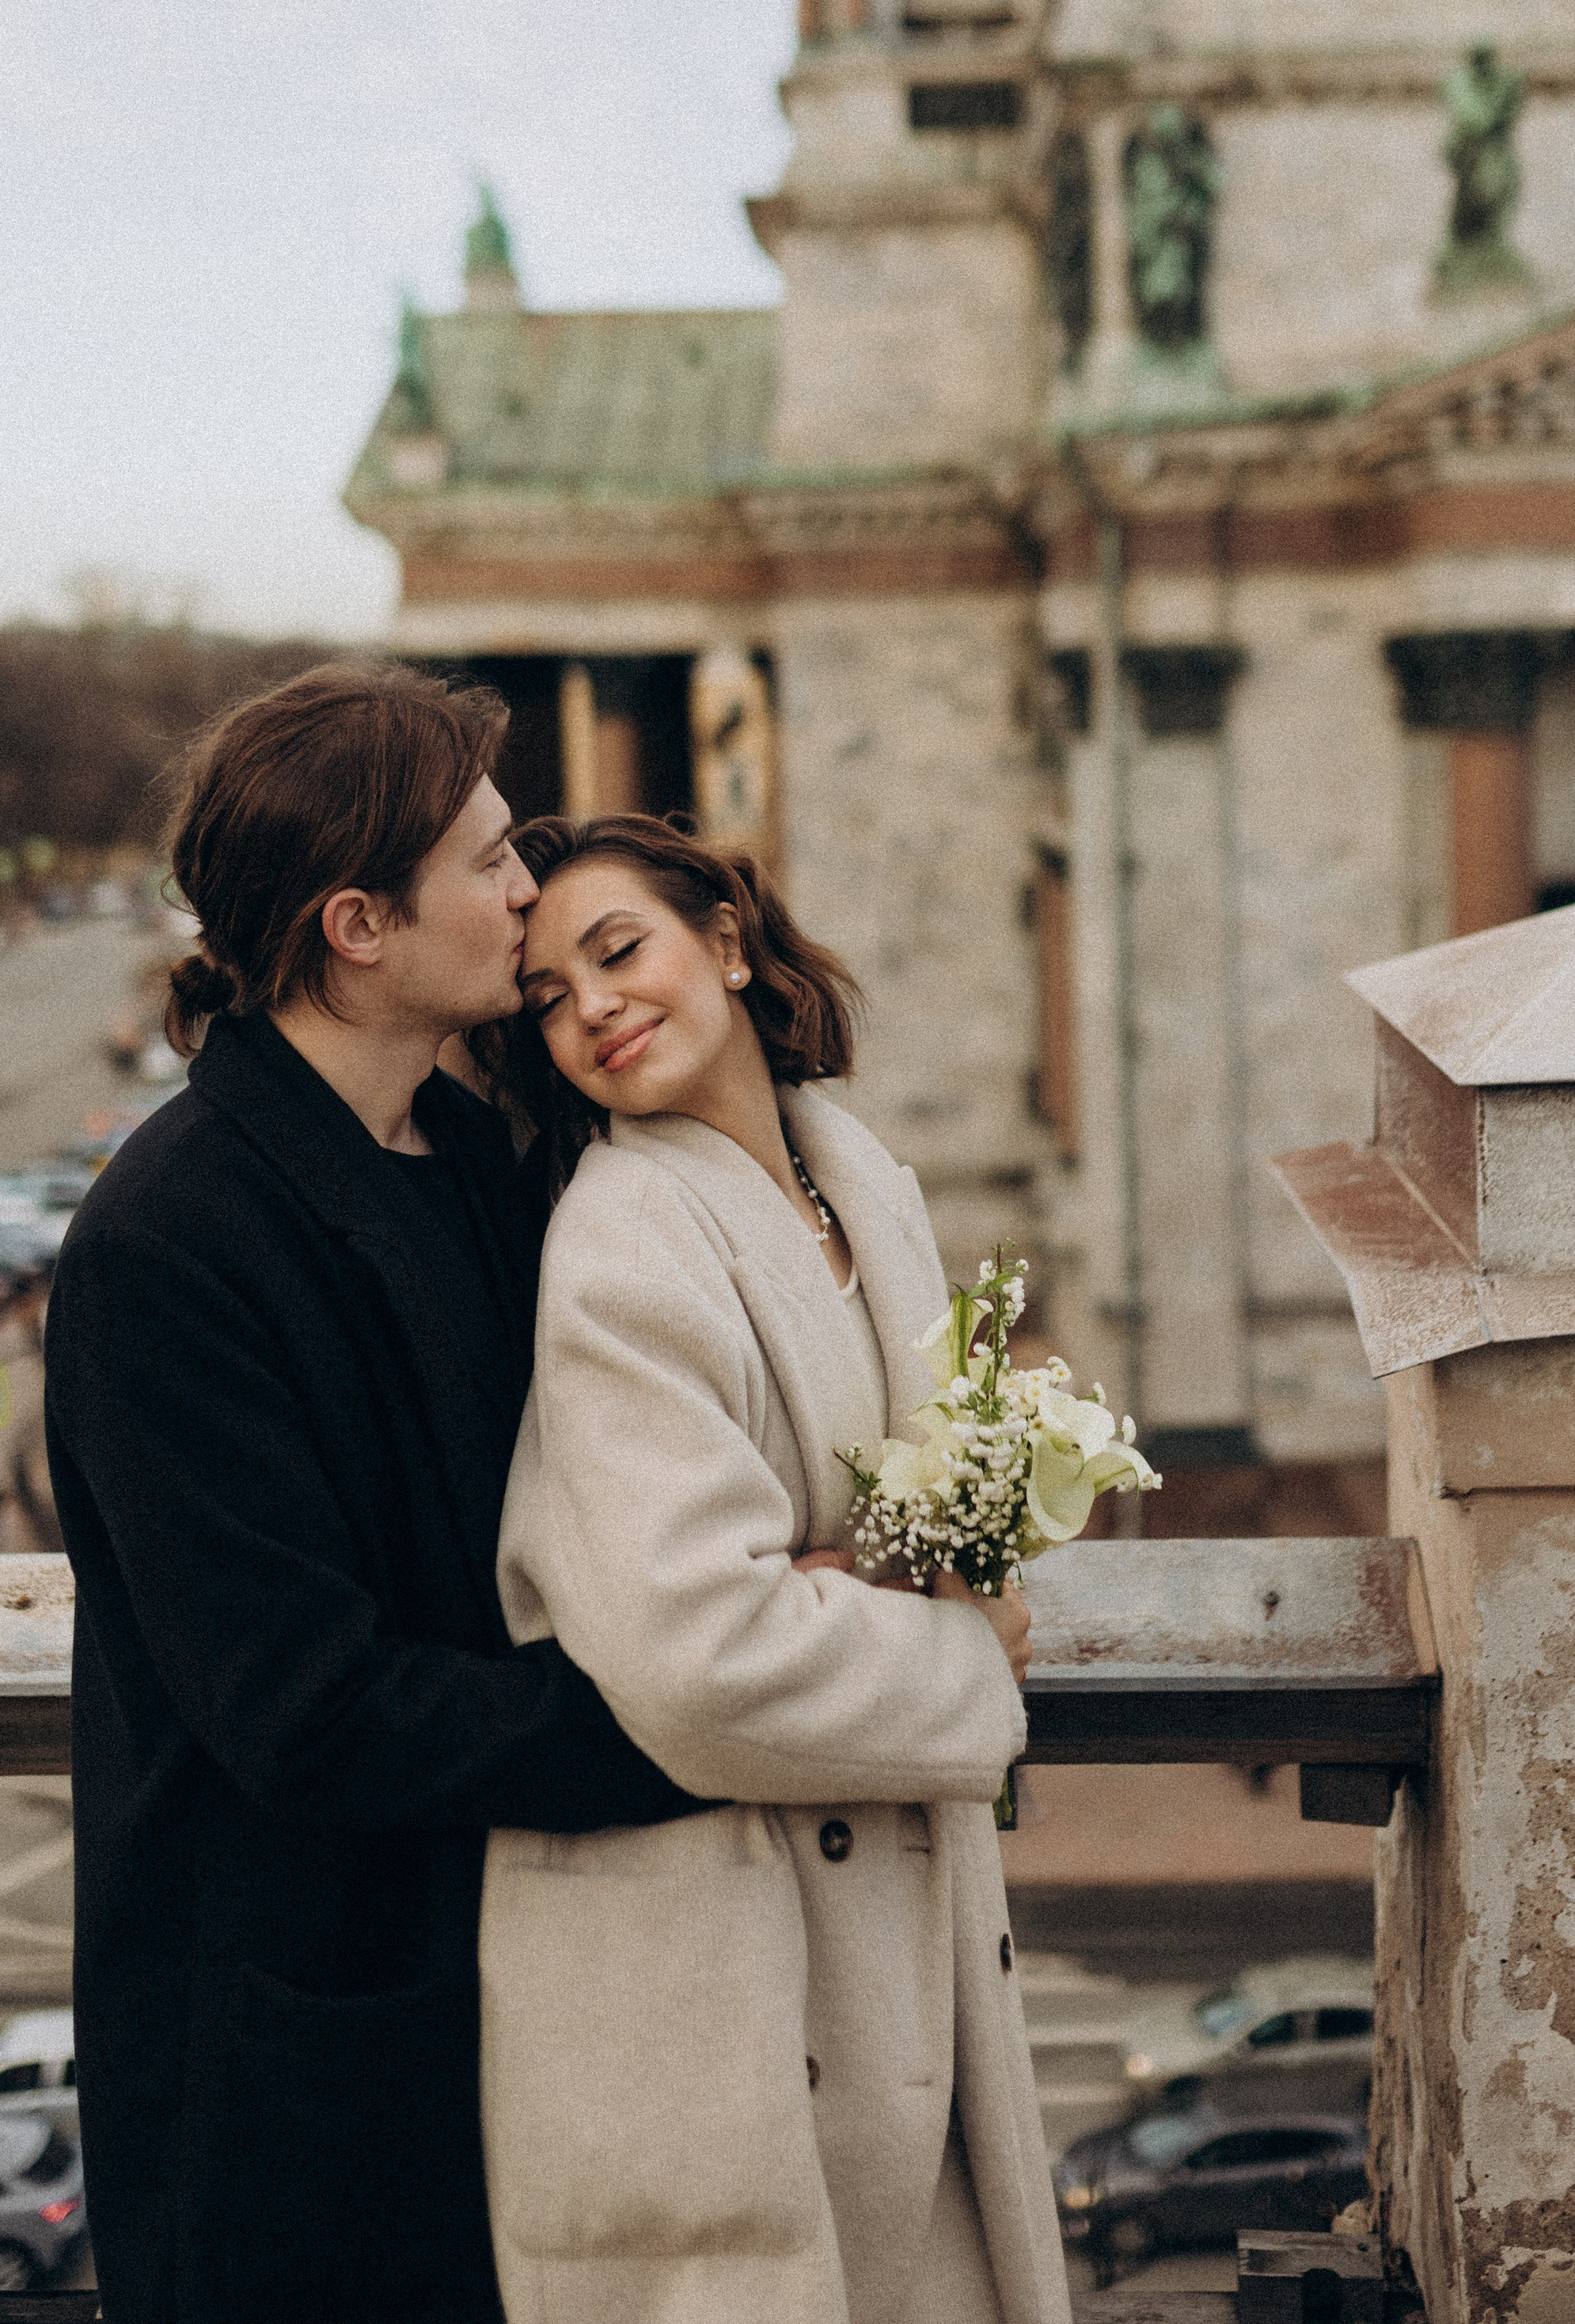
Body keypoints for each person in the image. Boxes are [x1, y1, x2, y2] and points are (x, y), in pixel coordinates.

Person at [42, 669, 702, 2324]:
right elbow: (305, 1708)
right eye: (486, 863)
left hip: (493, 2026)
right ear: (357, 924)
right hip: (290, 2090)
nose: (526, 893)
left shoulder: (470, 1156)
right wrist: (698, 1728)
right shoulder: (164, 1243)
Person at [480, 814, 1071, 2324]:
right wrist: (964, 1653)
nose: (594, 1007)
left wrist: (875, 1575)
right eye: (547, 996)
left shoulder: (862, 1181)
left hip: (899, 1935)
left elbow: (910, 1516)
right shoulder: (620, 1247)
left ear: (727, 943)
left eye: (620, 953)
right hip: (729, 1963)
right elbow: (702, 1660)